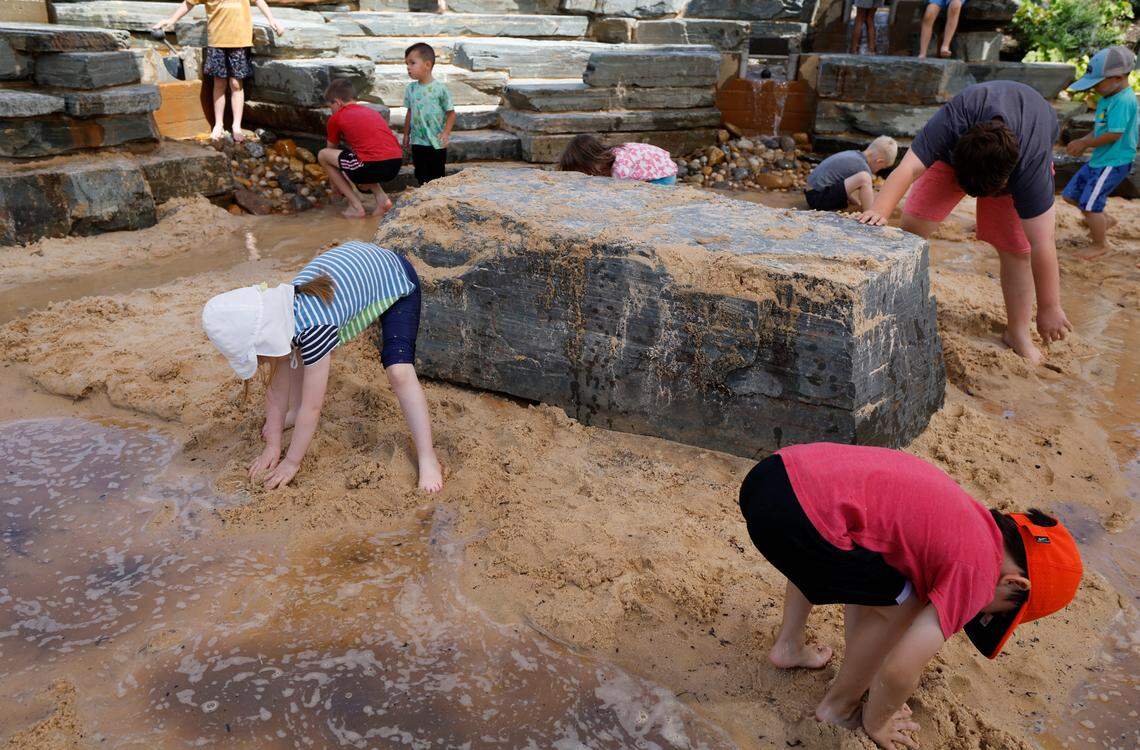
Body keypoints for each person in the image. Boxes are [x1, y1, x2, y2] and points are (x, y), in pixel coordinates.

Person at [739, 443, 1082, 750]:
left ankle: (789, 645)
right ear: (1015, 584)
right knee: (905, 601)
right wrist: (878, 719)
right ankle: (838, 708)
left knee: (861, 563)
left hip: (777, 476)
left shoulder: (971, 517)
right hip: (799, 521)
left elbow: (866, 587)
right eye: (1002, 611)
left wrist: (871, 670)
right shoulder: (979, 571)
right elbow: (902, 670)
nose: (981, 612)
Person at [201, 241, 444, 493]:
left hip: (396, 277)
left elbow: (313, 408)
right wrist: (272, 446)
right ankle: (290, 412)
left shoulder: (315, 328)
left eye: (256, 356)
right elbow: (275, 389)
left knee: (398, 371)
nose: (260, 362)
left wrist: (291, 462)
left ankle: (428, 457)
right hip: (359, 265)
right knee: (291, 352)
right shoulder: (278, 311)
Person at [858, 80, 1073, 364]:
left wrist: (1050, 306)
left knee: (1016, 251)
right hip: (966, 153)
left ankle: (1017, 332)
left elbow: (1042, 243)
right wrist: (880, 211)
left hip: (1016, 153)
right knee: (912, 227)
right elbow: (908, 168)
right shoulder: (953, 122)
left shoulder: (1030, 169)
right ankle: (893, 305)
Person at [151, 0, 284, 142]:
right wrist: (171, 20)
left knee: (236, 84)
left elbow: (258, 1)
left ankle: (236, 126)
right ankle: (218, 124)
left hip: (240, 41)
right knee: (219, 84)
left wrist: (272, 19)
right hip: (217, 41)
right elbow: (189, 3)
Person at [1061, 46, 1138, 259]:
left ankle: (1100, 244)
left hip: (1114, 161)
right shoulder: (1107, 97)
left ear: (1118, 78)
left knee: (1090, 205)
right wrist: (1083, 140)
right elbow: (1101, 126)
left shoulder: (1123, 100)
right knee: (1070, 195)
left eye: (1097, 84)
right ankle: (1103, 220)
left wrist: (1087, 144)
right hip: (1101, 159)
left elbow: (1114, 134)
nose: (1094, 89)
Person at [317, 78, 404, 220]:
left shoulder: (336, 118)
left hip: (371, 166)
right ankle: (382, 200)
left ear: (337, 102)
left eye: (330, 106)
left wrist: (335, 189)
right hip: (395, 164)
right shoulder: (371, 112)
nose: (330, 111)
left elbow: (329, 153)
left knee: (322, 154)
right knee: (363, 156)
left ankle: (356, 207)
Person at [402, 42, 455, 185]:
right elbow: (410, 112)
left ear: (427, 65)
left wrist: (446, 133)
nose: (408, 67)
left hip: (437, 142)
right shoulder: (411, 89)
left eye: (412, 63)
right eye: (407, 64)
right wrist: (406, 134)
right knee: (421, 174)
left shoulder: (440, 89)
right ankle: (425, 201)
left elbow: (451, 113)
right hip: (418, 141)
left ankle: (436, 201)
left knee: (437, 175)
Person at [804, 136, 897, 211]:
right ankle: (870, 213)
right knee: (864, 178)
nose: (878, 171)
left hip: (812, 193)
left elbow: (839, 182)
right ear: (879, 161)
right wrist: (870, 208)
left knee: (860, 182)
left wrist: (854, 202)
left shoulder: (853, 154)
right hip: (817, 199)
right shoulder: (862, 167)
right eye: (881, 168)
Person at [558, 134, 679, 185]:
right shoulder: (612, 153)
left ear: (591, 160)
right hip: (663, 166)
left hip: (663, 178)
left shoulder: (619, 168)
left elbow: (618, 191)